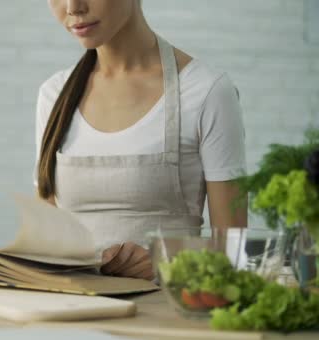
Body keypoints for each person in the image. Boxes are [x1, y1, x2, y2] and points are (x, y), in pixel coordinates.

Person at [35, 0, 248, 280]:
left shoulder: (206, 92)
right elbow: (45, 242)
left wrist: (168, 261)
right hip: (74, 309)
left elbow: (233, 251)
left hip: (167, 310)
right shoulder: (55, 95)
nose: (73, 7)